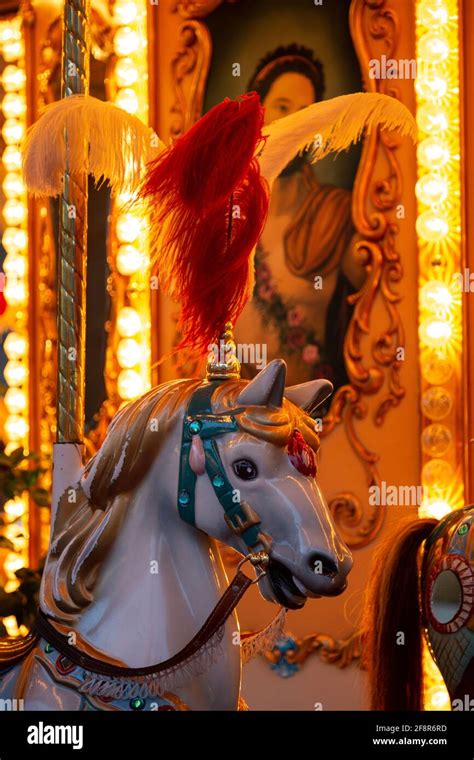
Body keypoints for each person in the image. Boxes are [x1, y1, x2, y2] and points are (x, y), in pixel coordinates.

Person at [235, 44, 365, 392]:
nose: (295, 123)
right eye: (282, 107)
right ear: (258, 114)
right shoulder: (225, 220)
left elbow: (380, 290)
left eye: (306, 112)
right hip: (238, 430)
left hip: (322, 422)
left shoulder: (335, 215)